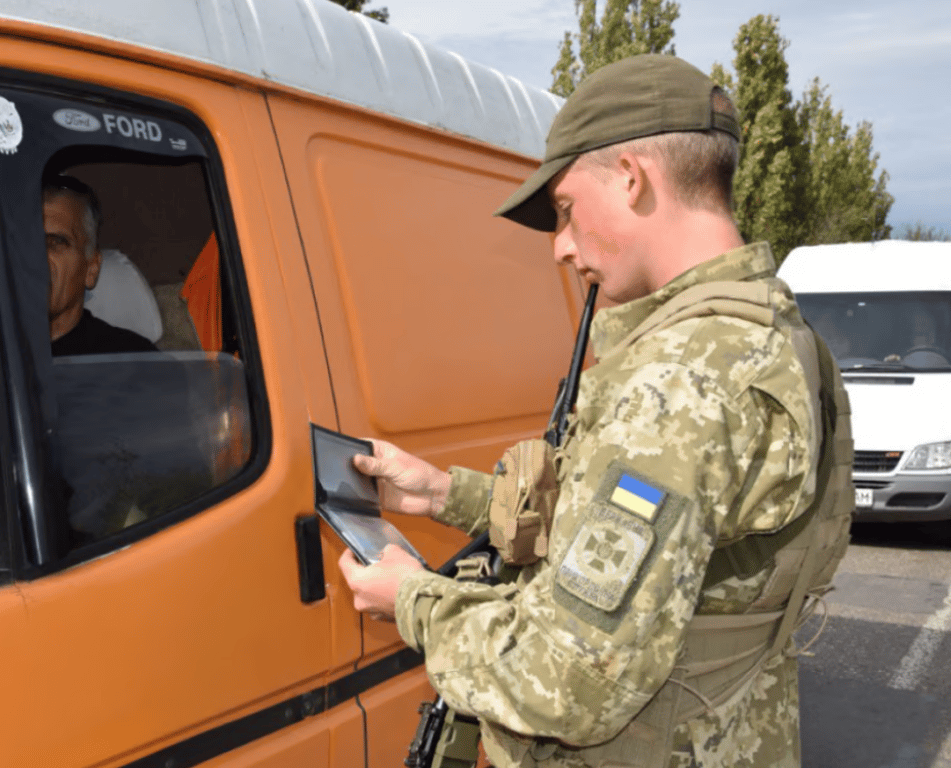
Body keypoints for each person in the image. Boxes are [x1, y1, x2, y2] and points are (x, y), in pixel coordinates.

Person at [337, 54, 852, 768]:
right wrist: (443, 493)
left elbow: (570, 681)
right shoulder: (779, 338)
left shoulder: (675, 383)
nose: (560, 246)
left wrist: (415, 601)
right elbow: (669, 542)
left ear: (633, 178)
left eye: (567, 211)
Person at [42, 174, 158, 356]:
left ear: (91, 269)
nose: (36, 257)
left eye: (56, 243)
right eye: (26, 242)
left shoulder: (134, 364)